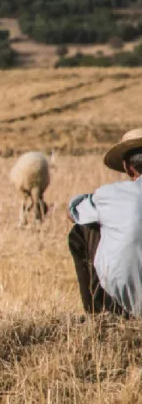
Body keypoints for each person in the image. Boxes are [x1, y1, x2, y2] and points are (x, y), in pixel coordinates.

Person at [68, 128, 142, 318]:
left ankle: (98, 312)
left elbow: (72, 211)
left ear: (127, 167)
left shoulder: (110, 195)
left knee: (83, 229)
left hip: (125, 305)